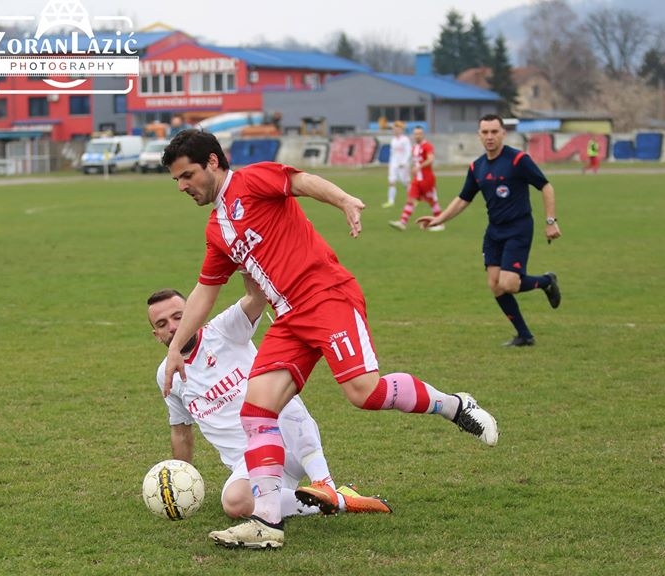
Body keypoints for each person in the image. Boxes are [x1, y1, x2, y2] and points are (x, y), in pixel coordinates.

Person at [160, 129, 498, 550]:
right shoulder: (217, 229)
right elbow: (204, 291)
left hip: (326, 297)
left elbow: (299, 181)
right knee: (257, 410)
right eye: (176, 180)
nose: (182, 186)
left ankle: (454, 405)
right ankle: (267, 523)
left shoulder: (252, 180)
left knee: (364, 393)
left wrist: (343, 199)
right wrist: (176, 349)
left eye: (187, 175)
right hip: (288, 317)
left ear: (212, 161)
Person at [147, 278, 392, 524]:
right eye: (162, 324)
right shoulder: (166, 375)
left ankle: (323, 481)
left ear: (192, 311)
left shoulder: (224, 329)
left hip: (290, 443)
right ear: (156, 334)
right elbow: (181, 431)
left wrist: (245, 263)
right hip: (252, 465)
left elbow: (256, 298)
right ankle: (338, 501)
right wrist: (181, 476)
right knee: (234, 503)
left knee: (277, 397)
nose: (172, 327)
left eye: (179, 316)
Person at [416, 114, 562, 347]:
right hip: (494, 231)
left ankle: (546, 281)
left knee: (509, 284)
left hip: (519, 228)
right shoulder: (477, 166)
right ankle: (524, 335)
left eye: (494, 132)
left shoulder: (518, 160)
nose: (490, 137)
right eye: (485, 132)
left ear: (503, 133)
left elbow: (545, 186)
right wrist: (439, 218)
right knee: (495, 285)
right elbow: (464, 198)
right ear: (479, 135)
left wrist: (551, 220)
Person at [389, 126, 443, 231]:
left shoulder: (427, 146)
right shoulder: (414, 148)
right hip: (417, 180)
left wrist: (419, 167)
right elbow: (415, 162)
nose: (417, 135)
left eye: (419, 133)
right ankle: (402, 222)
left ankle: (440, 224)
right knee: (410, 199)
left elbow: (431, 159)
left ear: (423, 134)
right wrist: (413, 171)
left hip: (427, 179)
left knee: (432, 201)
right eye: (415, 134)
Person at [381, 121, 411, 209]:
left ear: (401, 130)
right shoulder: (393, 140)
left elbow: (408, 151)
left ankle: (412, 199)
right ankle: (391, 201)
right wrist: (391, 164)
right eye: (394, 129)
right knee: (391, 182)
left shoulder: (405, 139)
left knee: (406, 183)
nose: (395, 130)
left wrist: (404, 162)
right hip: (394, 164)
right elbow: (392, 153)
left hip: (403, 165)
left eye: (397, 129)